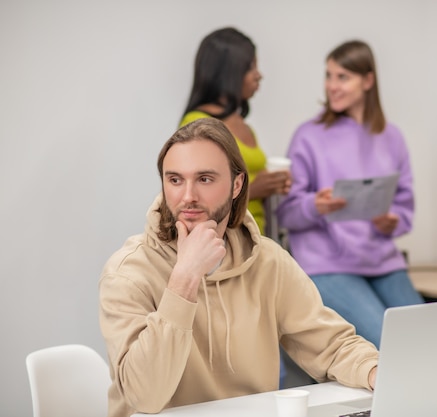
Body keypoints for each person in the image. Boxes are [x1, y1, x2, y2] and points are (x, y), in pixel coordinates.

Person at [99, 118, 378, 417]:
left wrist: (377, 373)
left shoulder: (269, 262)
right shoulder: (128, 272)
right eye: (175, 180)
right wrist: (185, 278)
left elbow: (331, 346)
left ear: (236, 184)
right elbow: (144, 396)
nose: (187, 195)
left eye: (204, 179)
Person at [275, 40, 424, 349]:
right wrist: (315, 206)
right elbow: (286, 212)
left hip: (383, 262)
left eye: (342, 77)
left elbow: (404, 205)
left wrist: (391, 222)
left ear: (367, 81)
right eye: (329, 76)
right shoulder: (309, 136)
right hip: (327, 264)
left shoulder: (391, 137)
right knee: (394, 346)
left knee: (427, 341)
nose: (332, 86)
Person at [180, 27, 290, 237]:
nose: (259, 75)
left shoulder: (243, 125)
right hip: (225, 241)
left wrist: (274, 186)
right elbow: (198, 200)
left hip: (257, 237)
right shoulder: (198, 125)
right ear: (229, 72)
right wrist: (255, 190)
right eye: (251, 67)